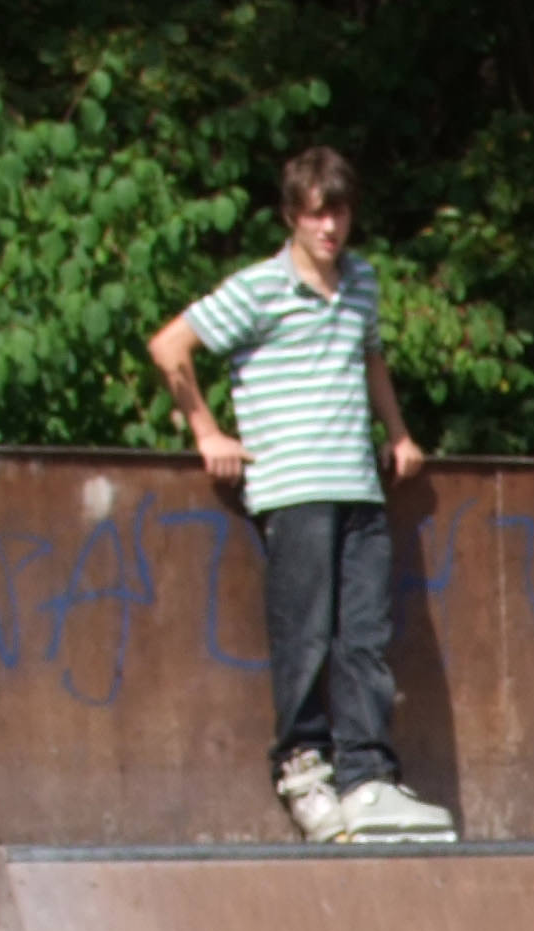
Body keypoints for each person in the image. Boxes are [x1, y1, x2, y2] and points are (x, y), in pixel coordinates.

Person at [148, 146, 454, 845]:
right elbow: (169, 346)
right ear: (291, 216)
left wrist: (399, 434)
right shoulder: (260, 288)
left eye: (338, 212)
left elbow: (370, 356)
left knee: (365, 637)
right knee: (305, 636)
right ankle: (303, 771)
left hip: (357, 484)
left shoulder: (362, 281)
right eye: (316, 214)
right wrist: (207, 432)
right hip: (293, 486)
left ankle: (368, 778)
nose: (329, 228)